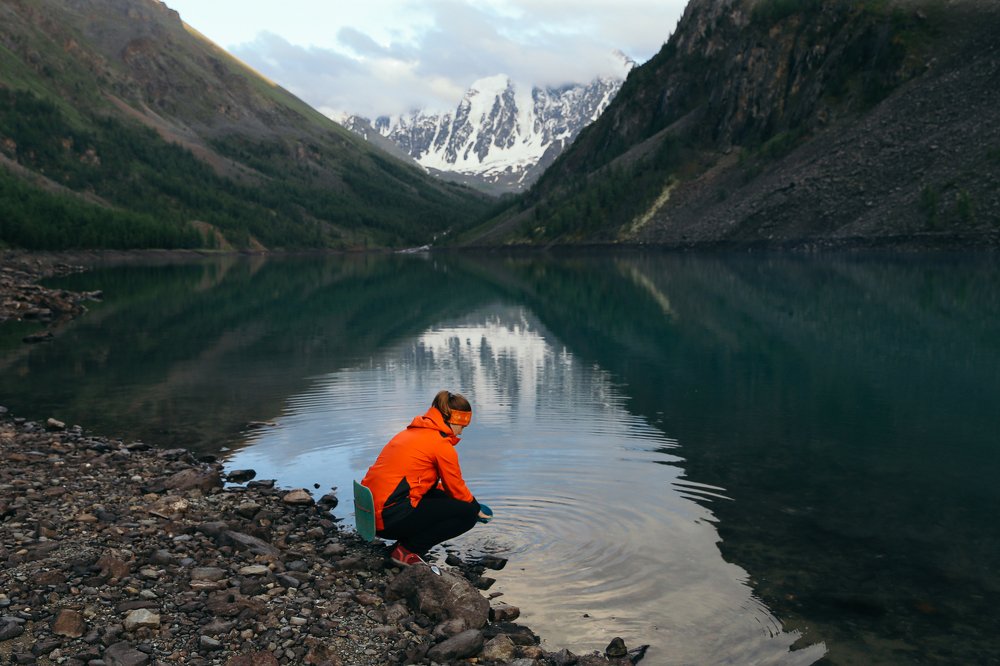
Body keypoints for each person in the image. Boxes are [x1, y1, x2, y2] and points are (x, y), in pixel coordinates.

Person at [361, 390, 492, 566]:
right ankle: (407, 551)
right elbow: (456, 486)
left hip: (370, 513)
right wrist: (475, 508)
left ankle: (405, 543)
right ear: (454, 420)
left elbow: (422, 483)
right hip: (388, 519)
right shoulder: (440, 445)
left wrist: (458, 499)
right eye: (462, 426)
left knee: (447, 499)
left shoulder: (411, 433)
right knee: (467, 514)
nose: (461, 432)